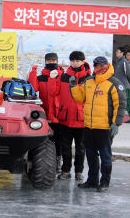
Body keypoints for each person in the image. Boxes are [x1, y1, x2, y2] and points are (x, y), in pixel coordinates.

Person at [70, 56, 126, 192]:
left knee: (105, 156)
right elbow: (80, 98)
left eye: (101, 65)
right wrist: (73, 86)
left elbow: (120, 105)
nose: (98, 68)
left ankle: (104, 183)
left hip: (105, 127)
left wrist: (116, 124)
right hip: (89, 126)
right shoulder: (89, 81)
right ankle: (92, 181)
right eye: (96, 65)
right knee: (90, 154)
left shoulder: (114, 83)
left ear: (106, 66)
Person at [57, 51, 91, 181]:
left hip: (81, 118)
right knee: (65, 147)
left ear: (83, 61)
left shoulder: (89, 78)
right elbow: (55, 92)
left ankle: (79, 171)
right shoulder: (64, 76)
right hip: (65, 117)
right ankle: (65, 171)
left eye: (77, 61)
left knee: (80, 148)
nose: (75, 63)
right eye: (73, 60)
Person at [28, 52, 64, 173]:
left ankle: (58, 162)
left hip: (59, 114)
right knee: (44, 140)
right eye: (49, 61)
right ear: (45, 62)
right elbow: (33, 88)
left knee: (59, 140)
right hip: (45, 113)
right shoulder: (41, 77)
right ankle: (42, 162)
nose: (51, 63)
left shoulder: (62, 76)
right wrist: (33, 72)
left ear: (57, 61)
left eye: (54, 61)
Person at [114, 46, 130, 123]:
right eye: (116, 52)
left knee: (128, 103)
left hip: (125, 86)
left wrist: (127, 82)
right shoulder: (118, 62)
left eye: (118, 52)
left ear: (122, 53)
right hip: (118, 86)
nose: (116, 53)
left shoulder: (124, 62)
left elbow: (129, 74)